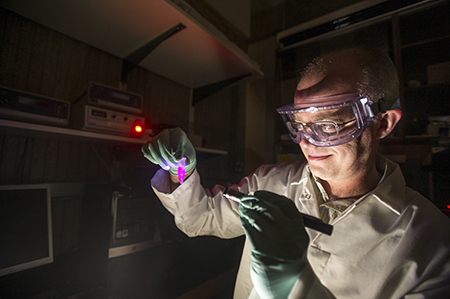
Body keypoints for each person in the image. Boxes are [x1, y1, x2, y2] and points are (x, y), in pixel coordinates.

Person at [142, 47, 450, 298]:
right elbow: (200, 217)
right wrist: (181, 169)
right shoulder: (272, 183)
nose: (306, 141)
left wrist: (293, 282)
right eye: (299, 125)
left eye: (327, 125)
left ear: (382, 122)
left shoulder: (433, 244)